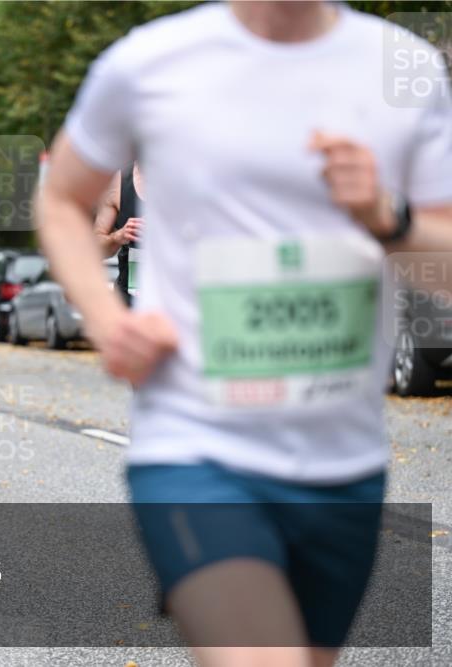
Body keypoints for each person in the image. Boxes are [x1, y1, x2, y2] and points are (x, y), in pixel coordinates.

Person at [36, 1, 451, 665]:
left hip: (342, 464)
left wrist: (386, 215)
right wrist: (107, 319)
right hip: (196, 445)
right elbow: (61, 198)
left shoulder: (404, 69)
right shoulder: (149, 62)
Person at [93, 164, 144, 305]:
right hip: (129, 301)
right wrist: (118, 236)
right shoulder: (118, 182)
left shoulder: (184, 176)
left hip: (174, 300)